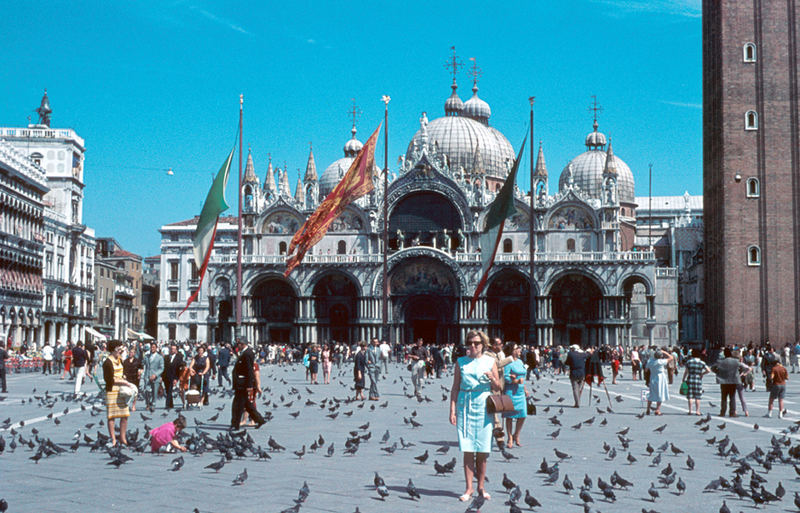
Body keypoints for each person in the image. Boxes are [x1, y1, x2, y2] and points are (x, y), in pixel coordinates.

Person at [449, 330, 500, 503]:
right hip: (465, 406)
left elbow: (498, 387)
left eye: (476, 343)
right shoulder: (461, 362)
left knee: (483, 449)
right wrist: (452, 410)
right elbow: (455, 388)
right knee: (468, 448)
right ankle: (469, 488)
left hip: (484, 406)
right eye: (470, 342)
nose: (472, 346)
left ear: (483, 345)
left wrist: (493, 377)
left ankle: (481, 487)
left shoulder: (490, 361)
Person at [103, 340, 135, 446]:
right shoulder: (107, 362)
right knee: (111, 416)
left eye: (121, 349)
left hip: (121, 390)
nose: (120, 351)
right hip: (112, 390)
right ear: (113, 350)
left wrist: (124, 378)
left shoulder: (120, 360)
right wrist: (124, 382)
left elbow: (122, 373)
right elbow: (109, 379)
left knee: (124, 414)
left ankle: (123, 437)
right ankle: (113, 439)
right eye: (118, 349)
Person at [230, 338, 265, 430]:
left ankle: (235, 425)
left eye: (239, 344)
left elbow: (249, 370)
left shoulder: (248, 353)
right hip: (242, 383)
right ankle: (260, 420)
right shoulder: (245, 353)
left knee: (238, 405)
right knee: (247, 405)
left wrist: (249, 386)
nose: (238, 346)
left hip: (243, 384)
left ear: (242, 344)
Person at [502, 342, 527, 448]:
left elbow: (523, 377)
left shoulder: (520, 361)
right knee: (509, 416)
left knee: (523, 415)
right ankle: (510, 437)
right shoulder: (508, 362)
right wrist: (515, 381)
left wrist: (525, 388)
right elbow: (505, 377)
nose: (520, 350)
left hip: (520, 392)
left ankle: (516, 434)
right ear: (512, 351)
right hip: (511, 392)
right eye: (517, 348)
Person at [711, 347, 749, 417]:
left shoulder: (720, 361)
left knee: (724, 397)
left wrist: (718, 372)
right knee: (732, 397)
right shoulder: (735, 361)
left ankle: (722, 412)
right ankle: (732, 412)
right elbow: (745, 368)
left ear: (724, 354)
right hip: (733, 380)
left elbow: (712, 368)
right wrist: (741, 373)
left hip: (723, 380)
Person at [681, 348, 711, 415]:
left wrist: (683, 379)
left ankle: (690, 410)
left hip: (690, 379)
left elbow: (686, 371)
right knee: (698, 396)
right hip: (698, 380)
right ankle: (697, 411)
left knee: (690, 396)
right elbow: (708, 370)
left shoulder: (689, 362)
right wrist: (702, 374)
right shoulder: (702, 362)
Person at [645, 349, 673, 415]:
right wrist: (664, 352)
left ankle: (648, 409)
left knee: (651, 393)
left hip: (652, 376)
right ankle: (657, 409)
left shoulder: (650, 361)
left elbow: (646, 370)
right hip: (660, 377)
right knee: (660, 393)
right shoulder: (661, 361)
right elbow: (671, 358)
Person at [143, 342, 164, 409]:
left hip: (155, 377)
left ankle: (153, 404)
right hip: (147, 376)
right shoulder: (146, 356)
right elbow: (142, 364)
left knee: (155, 392)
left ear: (156, 348)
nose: (152, 349)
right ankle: (147, 403)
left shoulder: (160, 357)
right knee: (146, 391)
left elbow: (161, 368)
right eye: (151, 347)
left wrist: (156, 375)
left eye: (154, 347)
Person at [122, 347, 143, 412]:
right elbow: (123, 370)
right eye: (129, 352)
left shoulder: (137, 361)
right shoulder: (125, 361)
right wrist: (123, 375)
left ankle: (133, 405)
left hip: (135, 378)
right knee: (127, 392)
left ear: (134, 353)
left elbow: (141, 368)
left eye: (132, 352)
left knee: (135, 392)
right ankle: (127, 405)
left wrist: (140, 372)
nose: (130, 354)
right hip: (128, 378)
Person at [163, 343, 183, 409]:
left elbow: (178, 370)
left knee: (170, 390)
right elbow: (164, 367)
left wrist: (176, 379)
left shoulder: (179, 358)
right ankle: (171, 404)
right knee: (167, 390)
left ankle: (167, 404)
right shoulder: (166, 357)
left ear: (176, 350)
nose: (172, 350)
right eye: (171, 349)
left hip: (173, 376)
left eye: (174, 349)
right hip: (166, 376)